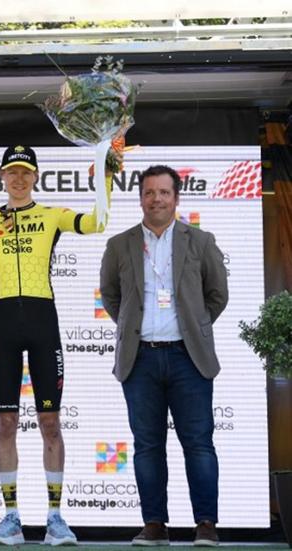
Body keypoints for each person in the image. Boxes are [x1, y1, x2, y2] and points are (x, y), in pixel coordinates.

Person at [0, 145, 112, 546]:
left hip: (43, 322)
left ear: (36, 177)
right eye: (12, 172)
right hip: (4, 324)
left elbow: (97, 222)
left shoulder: (52, 215)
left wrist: (106, 173)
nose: (19, 179)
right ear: (1, 177)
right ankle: (11, 517)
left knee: (50, 422)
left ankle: (56, 517)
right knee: (6, 422)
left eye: (26, 172)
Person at [99, 165, 228, 547]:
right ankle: (154, 524)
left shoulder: (201, 241)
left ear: (176, 198)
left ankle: (205, 524)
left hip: (190, 359)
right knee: (147, 445)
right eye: (149, 192)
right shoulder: (119, 244)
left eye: (164, 193)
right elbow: (111, 296)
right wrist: (134, 327)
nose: (156, 199)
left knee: (199, 443)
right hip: (140, 360)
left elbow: (216, 296)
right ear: (140, 197)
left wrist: (193, 326)